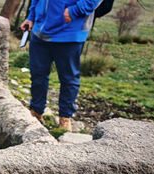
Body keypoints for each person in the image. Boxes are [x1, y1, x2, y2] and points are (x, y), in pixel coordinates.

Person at [21, 0, 102, 131]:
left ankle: (65, 118)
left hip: (70, 32)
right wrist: (31, 16)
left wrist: (74, 11)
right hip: (39, 31)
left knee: (68, 79)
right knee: (37, 74)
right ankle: (36, 112)